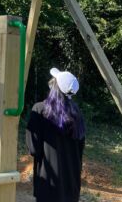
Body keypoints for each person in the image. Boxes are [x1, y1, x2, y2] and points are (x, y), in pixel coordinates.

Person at [26, 67, 85, 202]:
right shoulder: (78, 115)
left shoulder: (40, 110)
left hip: (49, 183)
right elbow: (80, 149)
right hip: (72, 184)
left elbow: (33, 149)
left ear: (54, 86)